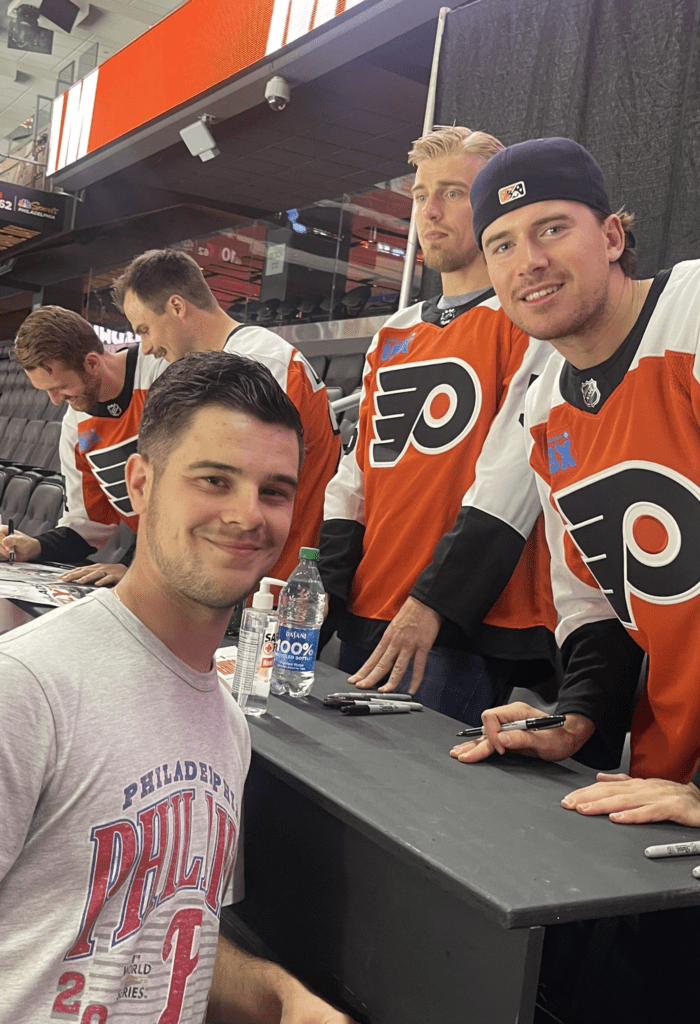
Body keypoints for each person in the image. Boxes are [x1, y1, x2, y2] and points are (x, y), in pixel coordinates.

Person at [0, 350, 354, 1023]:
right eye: (214, 480)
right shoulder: (24, 690)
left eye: (274, 491)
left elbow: (160, 938)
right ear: (139, 482)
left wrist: (285, 999)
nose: (249, 515)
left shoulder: (227, 726)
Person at [453, 136, 700, 844]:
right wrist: (576, 713)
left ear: (613, 235)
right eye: (500, 244)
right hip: (678, 779)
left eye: (552, 228)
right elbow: (592, 596)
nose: (528, 260)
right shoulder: (544, 409)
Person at [319, 126, 556, 725]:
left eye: (453, 192)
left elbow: (516, 472)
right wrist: (330, 585)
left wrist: (436, 602)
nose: (429, 210)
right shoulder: (393, 332)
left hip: (460, 624)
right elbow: (357, 470)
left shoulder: (528, 318)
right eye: (422, 194)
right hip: (371, 605)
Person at [112, 248, 341, 584]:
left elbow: (250, 485)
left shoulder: (259, 362)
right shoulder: (245, 357)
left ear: (176, 306)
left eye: (145, 329)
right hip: (254, 572)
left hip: (272, 580)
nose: (145, 347)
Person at [2, 304, 166, 584]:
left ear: (91, 362)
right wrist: (35, 546)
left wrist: (138, 570)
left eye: (60, 387)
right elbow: (90, 525)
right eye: (47, 391)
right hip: (158, 565)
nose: (55, 400)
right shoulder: (74, 424)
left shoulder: (162, 374)